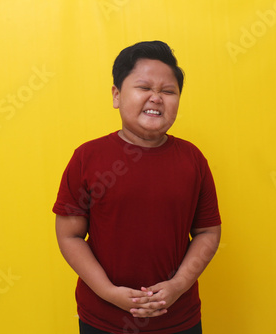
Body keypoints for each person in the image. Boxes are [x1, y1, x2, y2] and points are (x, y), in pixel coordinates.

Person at [53, 40, 222, 334]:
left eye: (168, 91)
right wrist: (108, 292)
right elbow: (69, 235)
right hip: (103, 320)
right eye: (144, 88)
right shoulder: (87, 157)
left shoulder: (192, 159)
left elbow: (207, 231)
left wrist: (178, 286)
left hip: (178, 319)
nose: (156, 98)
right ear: (117, 95)